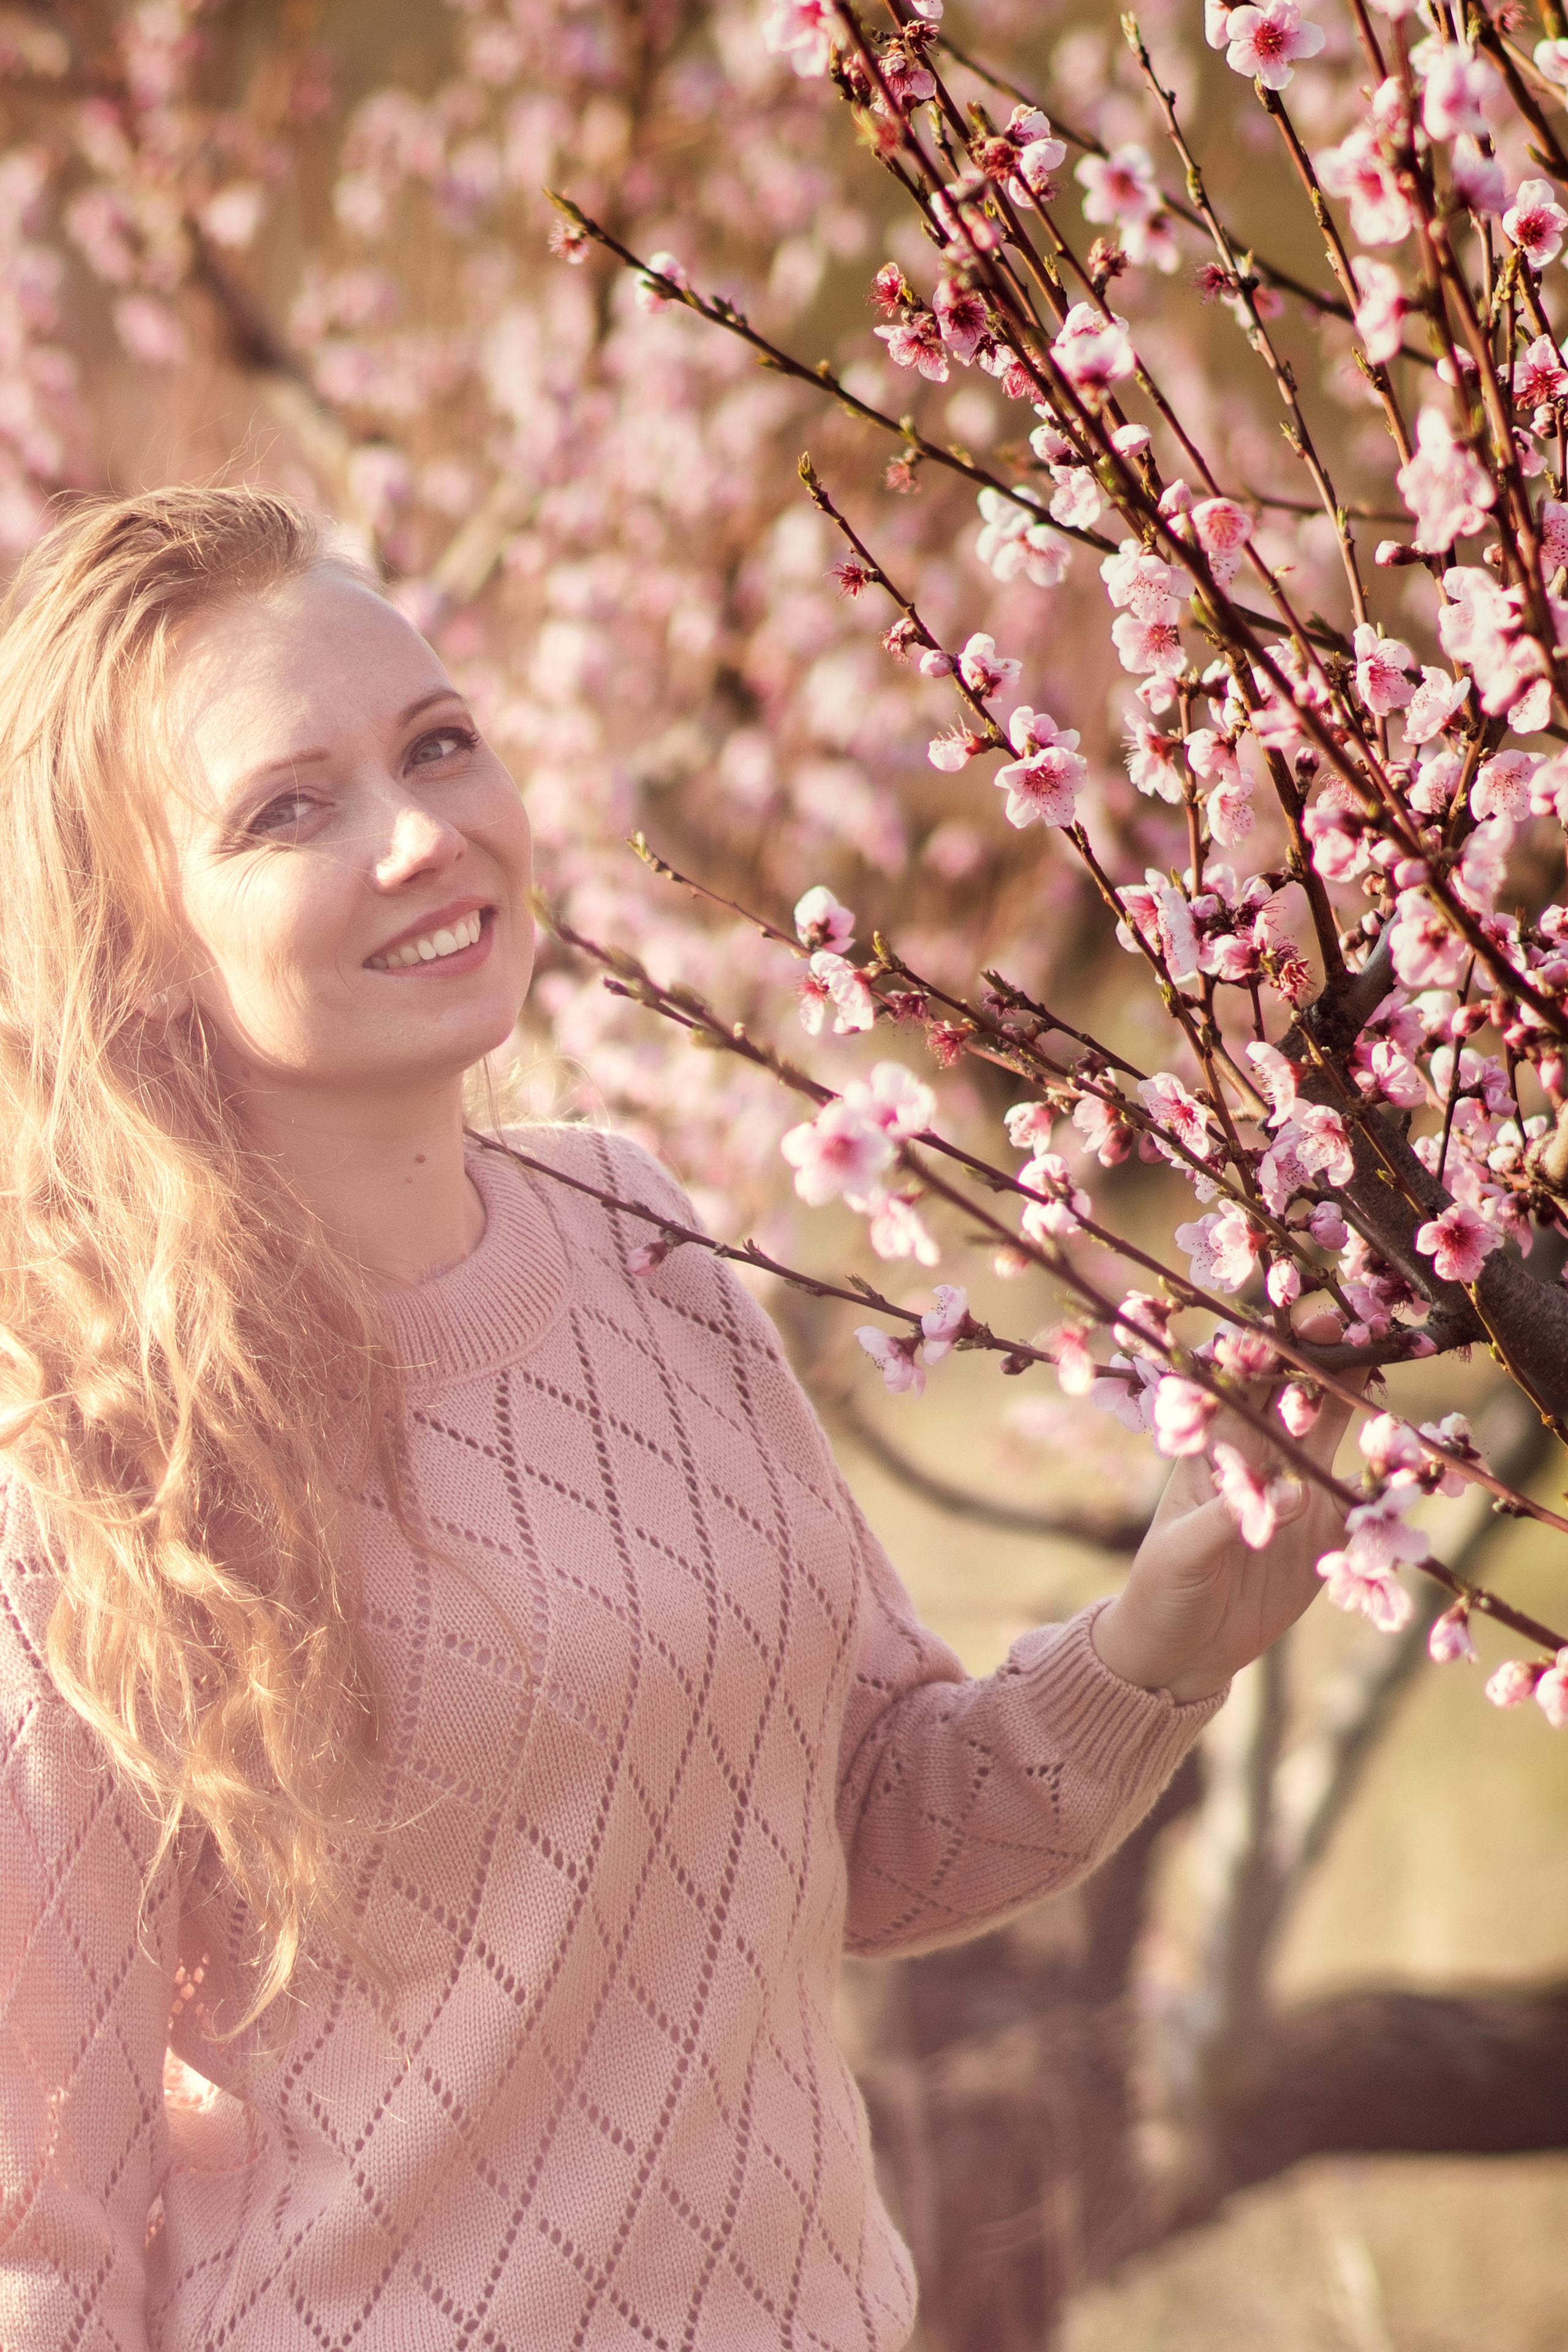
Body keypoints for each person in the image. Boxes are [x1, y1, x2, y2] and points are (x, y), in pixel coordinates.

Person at [0, 487, 1352, 2351]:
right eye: (288, 809)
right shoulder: (88, 1453)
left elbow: (867, 1834)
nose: (424, 836)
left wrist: (1158, 1648)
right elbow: (36, 2228)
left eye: (438, 745)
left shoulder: (634, 1234)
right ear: (136, 941)